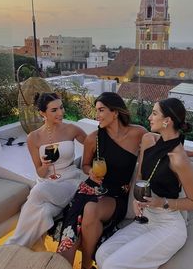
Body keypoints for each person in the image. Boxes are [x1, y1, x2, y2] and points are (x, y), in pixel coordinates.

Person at [95, 97, 193, 269]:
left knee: (112, 265)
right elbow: (141, 175)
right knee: (102, 254)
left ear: (167, 121)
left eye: (154, 114)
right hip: (146, 218)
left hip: (168, 226)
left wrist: (161, 202)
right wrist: (137, 199)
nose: (149, 118)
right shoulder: (148, 140)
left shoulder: (179, 159)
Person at [51, 92, 147, 268]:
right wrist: (91, 173)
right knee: (70, 231)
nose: (97, 115)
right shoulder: (93, 138)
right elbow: (85, 165)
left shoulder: (138, 133)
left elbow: (159, 147)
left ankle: (86, 264)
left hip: (116, 195)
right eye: (96, 110)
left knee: (91, 210)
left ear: (115, 112)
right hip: (89, 189)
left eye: (101, 110)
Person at [6, 92, 87, 249]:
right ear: (42, 113)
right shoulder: (33, 137)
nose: (61, 112)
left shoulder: (72, 129)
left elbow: (93, 145)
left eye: (61, 108)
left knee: (38, 191)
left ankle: (12, 246)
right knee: (43, 213)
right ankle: (17, 249)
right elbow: (40, 172)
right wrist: (44, 166)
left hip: (70, 181)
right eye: (54, 110)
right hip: (48, 182)